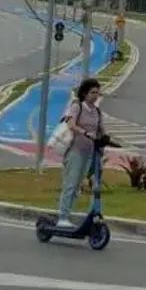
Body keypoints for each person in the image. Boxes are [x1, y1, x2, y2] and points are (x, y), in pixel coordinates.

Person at [56, 77, 104, 227]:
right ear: (85, 93)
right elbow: (71, 124)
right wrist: (85, 132)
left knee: (78, 187)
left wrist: (107, 140)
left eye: (97, 92)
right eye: (92, 92)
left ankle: (69, 213)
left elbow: (101, 130)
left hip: (89, 153)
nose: (95, 96)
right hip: (75, 150)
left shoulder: (97, 112)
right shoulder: (78, 107)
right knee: (70, 184)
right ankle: (62, 217)